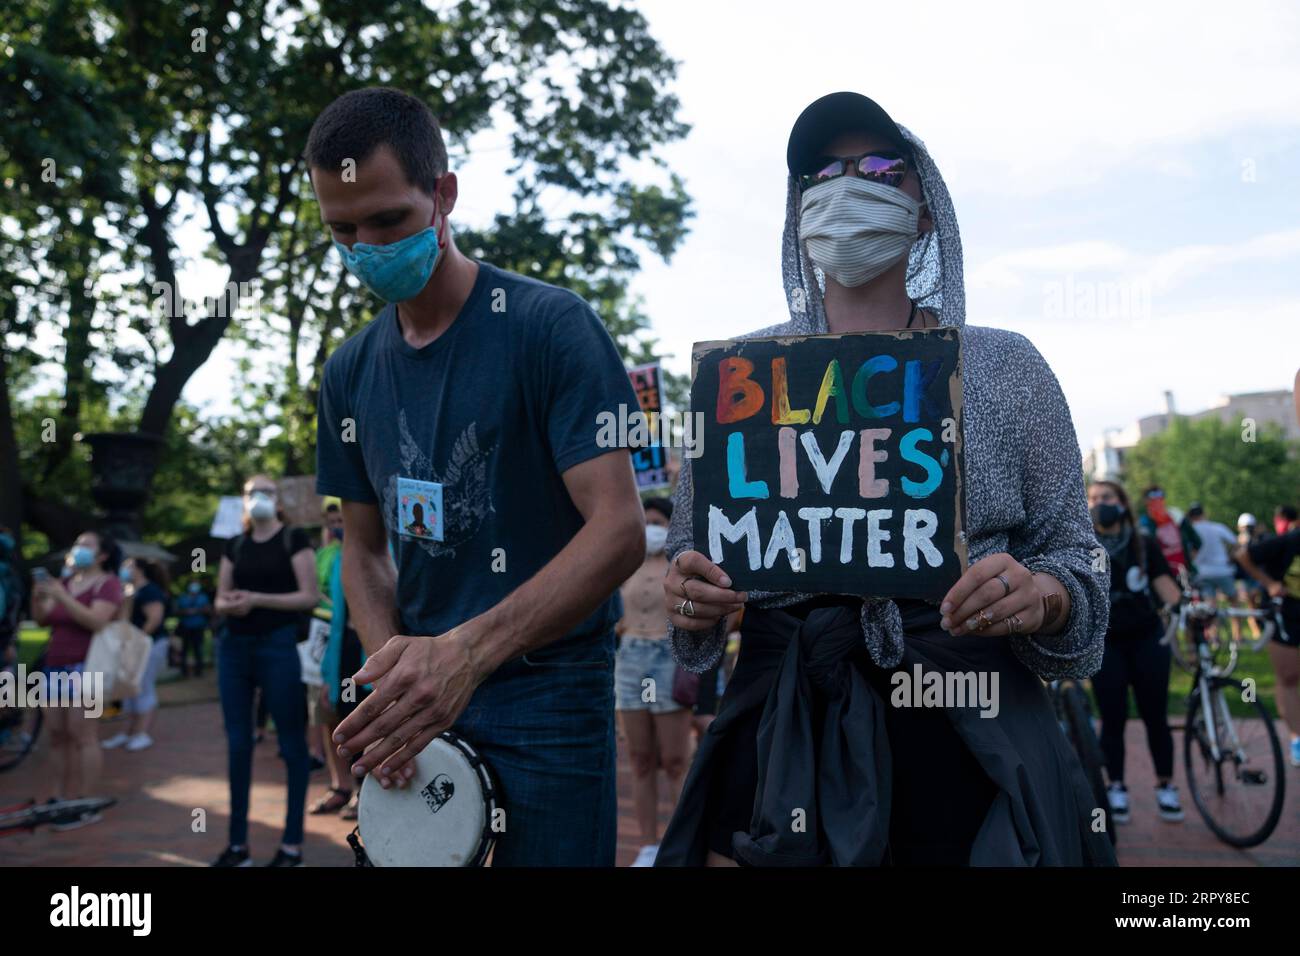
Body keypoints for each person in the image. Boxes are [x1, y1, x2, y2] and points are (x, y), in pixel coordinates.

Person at [656, 93, 1115, 867]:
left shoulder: (1008, 366)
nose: (846, 186)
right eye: (821, 174)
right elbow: (692, 568)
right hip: (785, 730)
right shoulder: (739, 377)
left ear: (926, 205)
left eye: (877, 168)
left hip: (967, 731)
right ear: (798, 211)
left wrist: (1042, 594)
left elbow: (1078, 556)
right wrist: (691, 599)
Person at [308, 87, 644, 866]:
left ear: (443, 195)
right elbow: (361, 551)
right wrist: (394, 676)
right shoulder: (348, 371)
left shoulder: (551, 327)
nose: (365, 246)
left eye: (388, 220)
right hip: (419, 692)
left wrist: (465, 654)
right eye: (342, 229)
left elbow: (619, 527)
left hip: (548, 691)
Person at [212, 475, 320, 867]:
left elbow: (308, 596)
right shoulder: (234, 544)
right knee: (239, 743)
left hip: (277, 646)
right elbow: (220, 599)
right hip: (233, 649)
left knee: (292, 745)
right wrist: (232, 604)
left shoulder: (294, 539)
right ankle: (237, 846)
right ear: (242, 502)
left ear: (277, 500)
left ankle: (292, 845)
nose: (258, 497)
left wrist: (257, 599)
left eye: (266, 492)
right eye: (251, 492)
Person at [1086, 480, 1184, 824]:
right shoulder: (1082, 544)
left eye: (1108, 498)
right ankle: (1117, 787)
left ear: (1123, 503)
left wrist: (1185, 607)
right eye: (1094, 498)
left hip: (1147, 638)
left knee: (1155, 716)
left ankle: (1166, 786)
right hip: (1106, 644)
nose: (1101, 504)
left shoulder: (1144, 543)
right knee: (1112, 719)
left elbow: (1163, 583)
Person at [614, 496, 691, 867]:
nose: (651, 528)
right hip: (629, 660)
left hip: (667, 658)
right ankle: (647, 845)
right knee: (640, 760)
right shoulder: (625, 562)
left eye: (658, 520)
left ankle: (681, 843)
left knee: (676, 761)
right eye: (645, 520)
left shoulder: (679, 565)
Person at [30, 531, 124, 830]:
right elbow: (44, 620)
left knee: (84, 735)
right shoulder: (67, 583)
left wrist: (62, 596)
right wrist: (40, 596)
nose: (78, 549)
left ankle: (86, 801)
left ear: (103, 555)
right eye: (77, 543)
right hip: (54, 667)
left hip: (88, 667)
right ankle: (58, 798)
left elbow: (96, 621)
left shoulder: (108, 585)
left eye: (86, 545)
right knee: (57, 735)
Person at [1234, 514, 1300, 766]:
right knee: (1290, 676)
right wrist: (1270, 583)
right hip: (1286, 613)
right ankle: (1297, 739)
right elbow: (1243, 556)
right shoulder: (1290, 541)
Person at [102, 558, 171, 752]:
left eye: (128, 566)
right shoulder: (127, 591)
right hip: (130, 647)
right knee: (128, 690)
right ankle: (129, 731)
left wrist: (138, 640)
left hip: (150, 646)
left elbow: (154, 619)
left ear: (139, 569)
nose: (124, 569)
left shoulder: (150, 591)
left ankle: (142, 733)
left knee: (143, 688)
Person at [1139, 487, 1190, 583]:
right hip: (1160, 575)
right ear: (1146, 501)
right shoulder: (1143, 523)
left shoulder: (1176, 515)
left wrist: (1190, 562)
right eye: (1153, 498)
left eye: (1160, 496)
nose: (1157, 501)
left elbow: (1196, 541)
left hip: (1182, 570)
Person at [173, 580, 212, 678]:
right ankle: (184, 672)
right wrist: (186, 612)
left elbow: (208, 609)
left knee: (198, 649)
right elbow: (176, 610)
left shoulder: (203, 597)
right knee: (184, 650)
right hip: (186, 627)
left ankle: (199, 671)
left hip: (198, 627)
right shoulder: (183, 597)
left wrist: (197, 610)